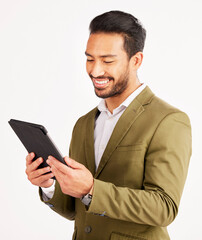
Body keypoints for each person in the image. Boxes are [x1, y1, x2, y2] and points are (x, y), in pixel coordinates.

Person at [25, 10, 192, 240]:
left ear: (136, 60)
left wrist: (91, 188)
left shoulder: (168, 121)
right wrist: (48, 184)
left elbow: (164, 208)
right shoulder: (83, 124)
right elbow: (76, 211)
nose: (95, 70)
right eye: (90, 59)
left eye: (107, 60)